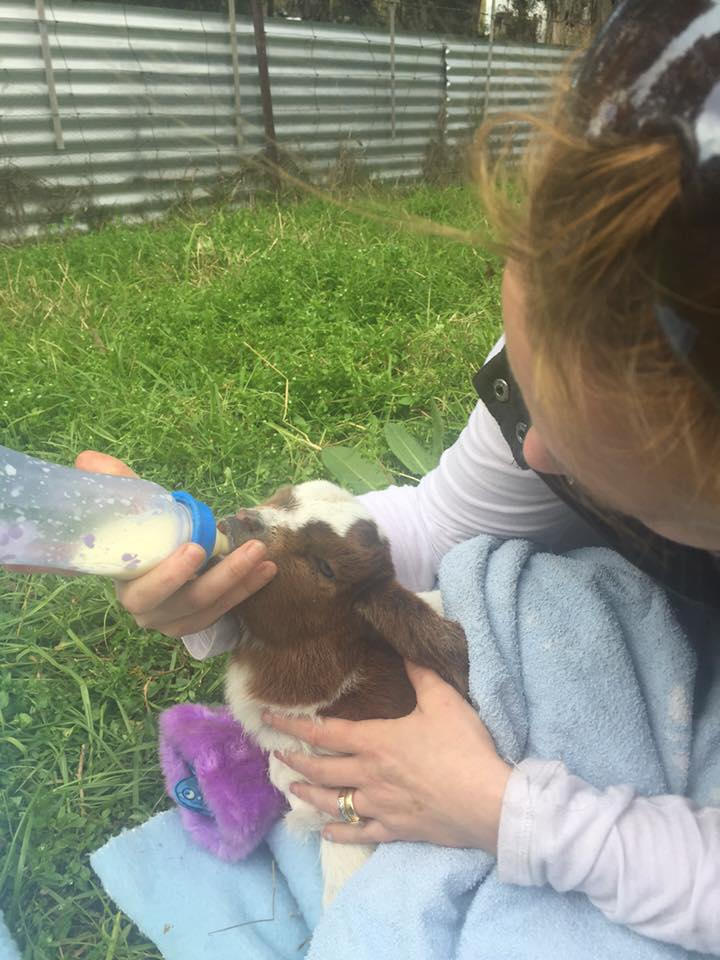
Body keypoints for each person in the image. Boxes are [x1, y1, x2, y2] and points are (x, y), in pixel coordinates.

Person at [74, 0, 720, 953]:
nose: (533, 452)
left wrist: (504, 812)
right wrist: (240, 586)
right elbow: (446, 522)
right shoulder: (594, 318)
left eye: (589, 442)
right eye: (521, 386)